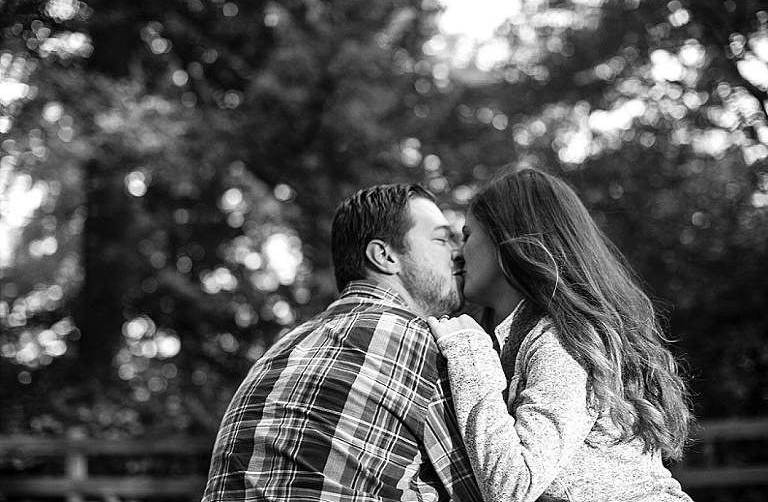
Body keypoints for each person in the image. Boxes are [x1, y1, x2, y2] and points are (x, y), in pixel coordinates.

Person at [427, 167, 694, 501]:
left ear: (505, 240)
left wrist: (468, 353)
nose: (457, 251)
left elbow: (512, 486)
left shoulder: (560, 342)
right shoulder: (522, 337)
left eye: (467, 235)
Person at [202, 183, 483, 502]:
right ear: (385, 256)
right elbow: (494, 489)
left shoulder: (280, 351)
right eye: (442, 239)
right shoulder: (424, 344)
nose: (459, 252)